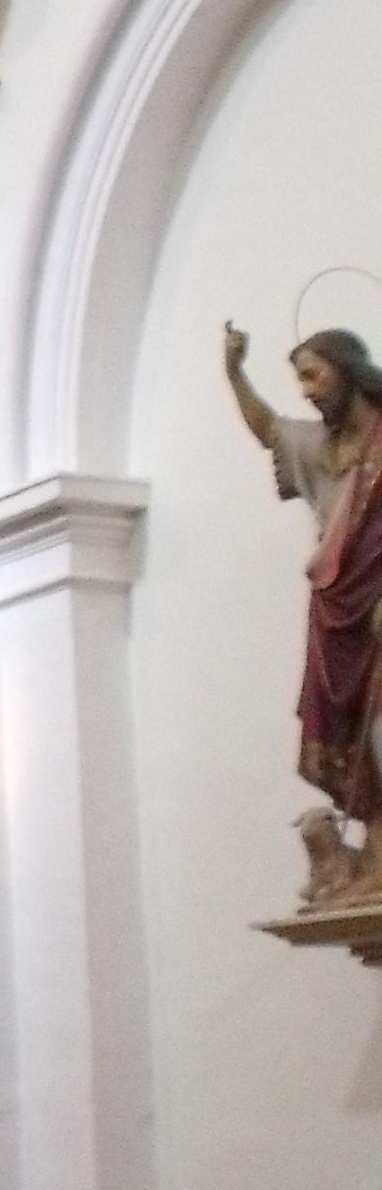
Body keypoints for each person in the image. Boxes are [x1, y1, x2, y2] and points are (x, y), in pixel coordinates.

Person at [224, 324, 382, 897]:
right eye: (299, 378)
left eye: (314, 374)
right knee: (348, 734)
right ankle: (375, 846)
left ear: (348, 371)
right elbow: (269, 430)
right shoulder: (322, 447)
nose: (307, 389)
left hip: (379, 604)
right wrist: (234, 372)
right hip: (337, 606)